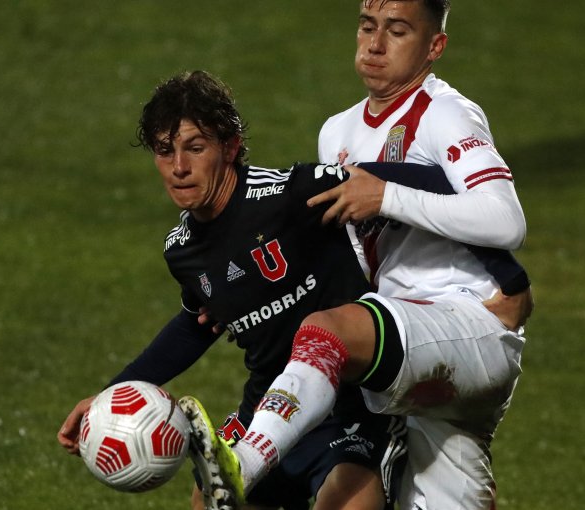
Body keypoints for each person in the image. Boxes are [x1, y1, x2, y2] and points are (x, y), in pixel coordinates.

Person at [57, 71, 530, 510]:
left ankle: (387, 465)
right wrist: (109, 394)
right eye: (164, 151)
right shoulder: (181, 249)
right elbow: (192, 325)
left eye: (194, 147)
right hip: (264, 404)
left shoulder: (290, 196)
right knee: (206, 503)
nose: (179, 167)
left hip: (347, 410)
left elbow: (433, 181)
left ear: (230, 145)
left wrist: (508, 279)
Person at [183, 1, 533, 509]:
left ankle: (246, 462)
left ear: (434, 47)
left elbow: (506, 220)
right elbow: (346, 253)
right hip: (406, 350)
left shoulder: (446, 114)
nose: (374, 44)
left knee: (327, 332)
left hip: (465, 321)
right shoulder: (337, 132)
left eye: (397, 31)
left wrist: (385, 196)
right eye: (368, 27)